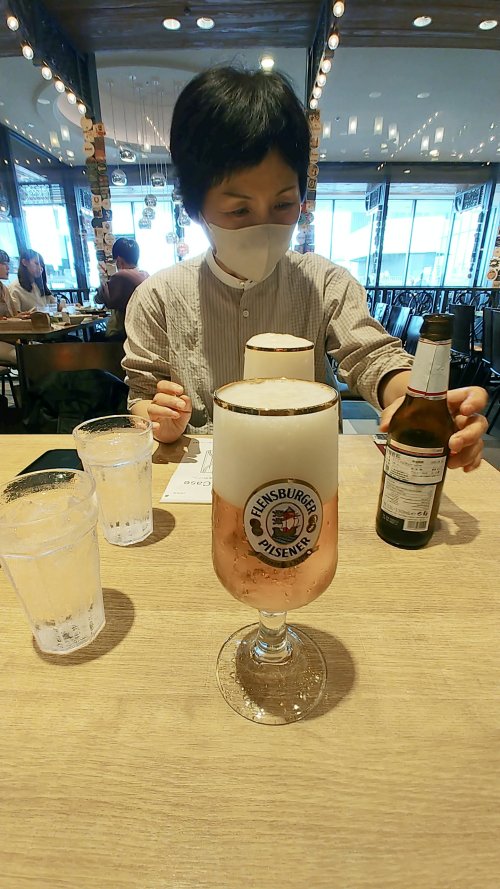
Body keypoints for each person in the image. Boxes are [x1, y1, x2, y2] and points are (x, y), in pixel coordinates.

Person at [123, 66, 487, 472]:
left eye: (283, 204)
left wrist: (417, 403)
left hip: (305, 471)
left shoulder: (325, 283)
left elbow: (371, 357)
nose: (264, 227)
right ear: (196, 209)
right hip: (206, 477)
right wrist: (157, 418)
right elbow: (142, 395)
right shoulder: (158, 298)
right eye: (239, 210)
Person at [95, 238, 148, 340]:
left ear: (119, 260)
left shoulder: (121, 276)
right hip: (141, 331)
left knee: (93, 338)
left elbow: (101, 299)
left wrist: (103, 286)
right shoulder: (145, 275)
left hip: (122, 333)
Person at [9, 249, 58, 313]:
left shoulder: (39, 285)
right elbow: (16, 315)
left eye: (42, 265)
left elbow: (55, 305)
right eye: (36, 263)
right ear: (25, 262)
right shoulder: (15, 288)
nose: (40, 268)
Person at [0, 250, 16, 364]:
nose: (8, 268)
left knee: (40, 351)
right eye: (4, 264)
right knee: (22, 357)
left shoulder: (4, 289)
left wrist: (20, 316)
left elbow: (11, 316)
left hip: (8, 337)